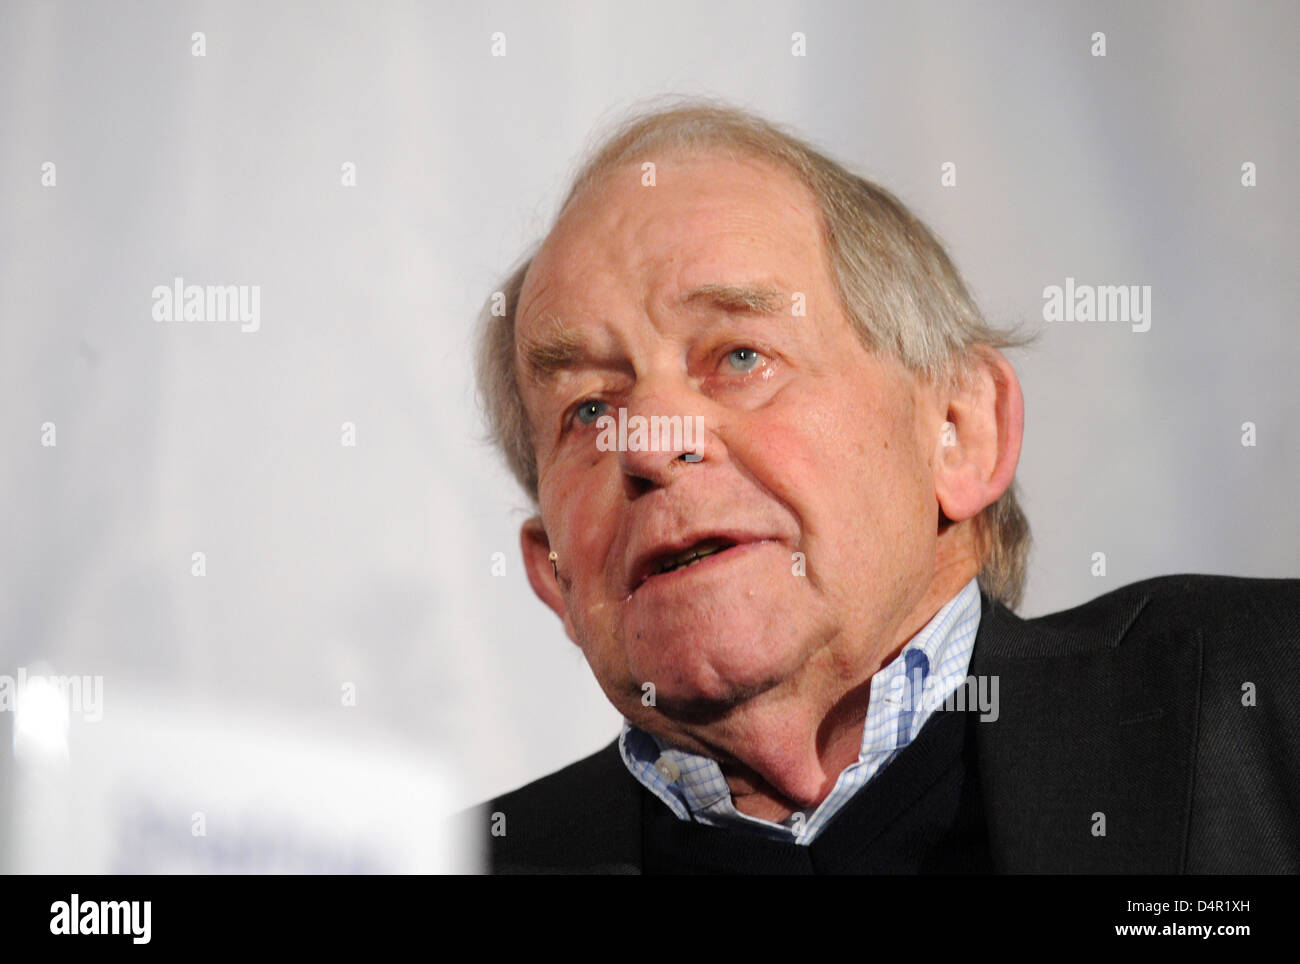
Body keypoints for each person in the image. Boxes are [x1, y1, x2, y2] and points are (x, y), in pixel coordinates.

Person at [468, 100, 1300, 874]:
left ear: (959, 432)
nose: (648, 444)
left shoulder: (1265, 696)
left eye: (739, 356)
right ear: (554, 574)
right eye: (586, 410)